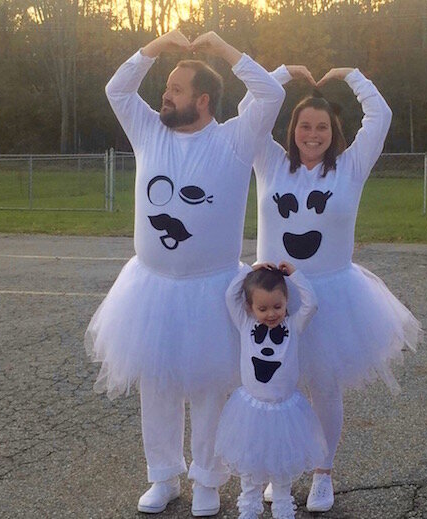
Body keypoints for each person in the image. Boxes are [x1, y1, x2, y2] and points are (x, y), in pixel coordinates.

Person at [84, 30, 285, 516]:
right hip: (150, 287)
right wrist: (155, 49)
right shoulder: (148, 130)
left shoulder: (236, 139)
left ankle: (210, 481)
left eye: (175, 88)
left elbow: (272, 93)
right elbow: (117, 90)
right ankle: (163, 477)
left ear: (203, 99)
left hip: (211, 288)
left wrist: (223, 49)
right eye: (165, 87)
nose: (165, 95)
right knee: (158, 386)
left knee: (212, 390)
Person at [238, 65, 422, 512]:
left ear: (333, 132)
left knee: (323, 388)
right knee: (273, 388)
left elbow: (380, 116)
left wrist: (355, 77)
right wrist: (277, 75)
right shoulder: (270, 161)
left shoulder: (350, 168)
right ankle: (278, 469)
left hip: (335, 295)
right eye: (304, 125)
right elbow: (248, 111)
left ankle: (323, 472)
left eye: (321, 127)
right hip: (275, 296)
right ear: (292, 129)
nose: (313, 134)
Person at [216, 261, 326, 519]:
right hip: (250, 409)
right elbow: (230, 296)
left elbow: (312, 303)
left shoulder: (293, 326)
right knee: (250, 463)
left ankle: (282, 508)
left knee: (282, 465)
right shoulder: (245, 323)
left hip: (285, 410)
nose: (271, 314)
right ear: (250, 307)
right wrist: (249, 271)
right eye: (262, 308)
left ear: (286, 302)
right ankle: (249, 508)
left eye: (277, 306)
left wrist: (295, 275)